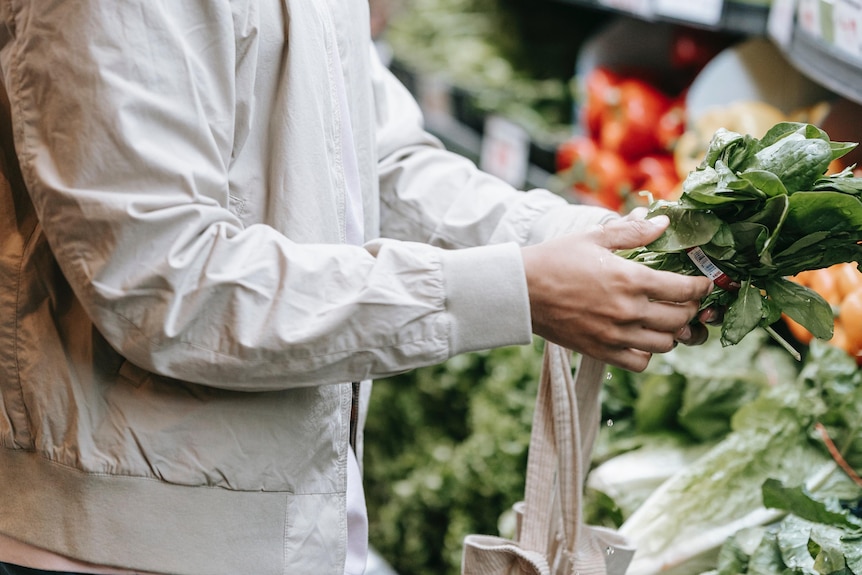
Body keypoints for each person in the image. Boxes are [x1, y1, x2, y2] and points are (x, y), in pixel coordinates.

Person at [0, 2, 714, 574]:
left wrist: (570, 235)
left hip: (277, 514)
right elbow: (166, 280)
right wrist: (515, 288)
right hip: (119, 540)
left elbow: (375, 161)